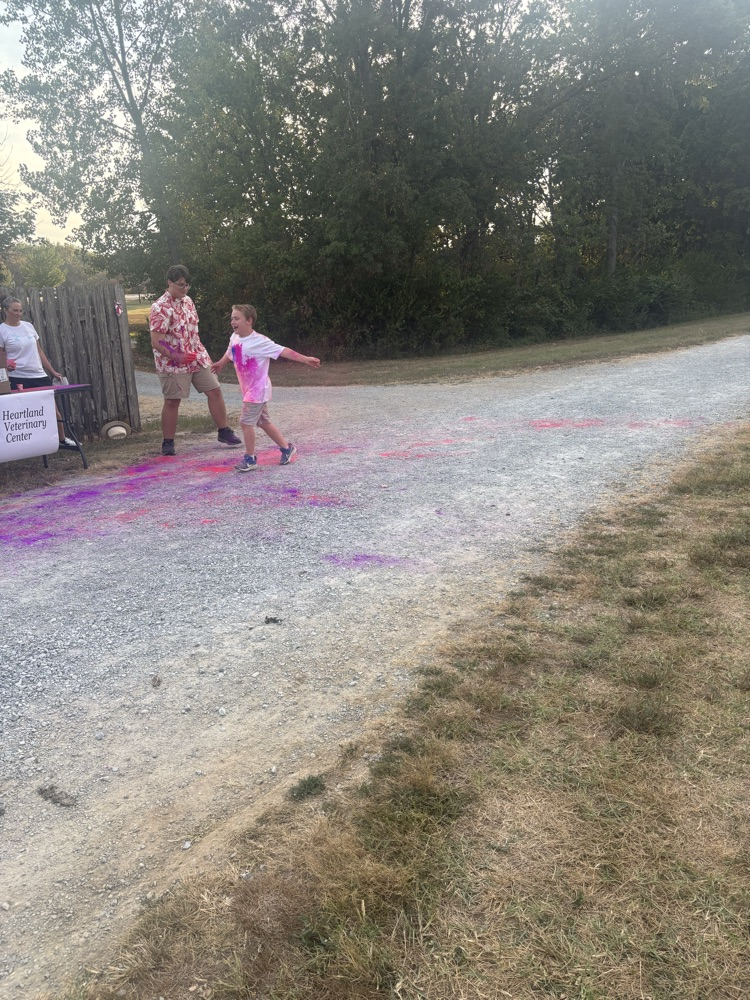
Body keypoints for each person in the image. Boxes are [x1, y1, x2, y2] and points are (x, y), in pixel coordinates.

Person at [211, 304, 320, 472]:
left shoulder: (260, 342)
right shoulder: (235, 337)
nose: (233, 321)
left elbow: (284, 351)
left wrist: (306, 359)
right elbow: (229, 352)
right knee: (263, 422)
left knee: (246, 423)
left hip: (257, 390)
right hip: (249, 390)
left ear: (249, 321)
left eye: (236, 318)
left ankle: (250, 459)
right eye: (232, 318)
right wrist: (220, 364)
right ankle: (286, 448)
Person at [149, 265, 242, 456]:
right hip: (172, 362)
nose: (184, 289)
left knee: (214, 390)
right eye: (181, 285)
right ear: (169, 283)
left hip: (196, 356)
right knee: (172, 401)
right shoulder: (160, 307)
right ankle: (168, 442)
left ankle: (224, 431)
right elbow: (157, 341)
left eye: (187, 285)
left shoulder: (189, 301)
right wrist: (177, 356)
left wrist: (195, 353)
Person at [0, 295, 77, 448]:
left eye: (20, 310)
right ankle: (25, 445)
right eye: (15, 310)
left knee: (54, 412)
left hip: (38, 375)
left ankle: (63, 440)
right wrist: (5, 367)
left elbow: (39, 351)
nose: (18, 313)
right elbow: (1, 356)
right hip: (17, 377)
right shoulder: (2, 330)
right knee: (23, 414)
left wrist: (52, 371)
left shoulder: (28, 326)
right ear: (5, 310)